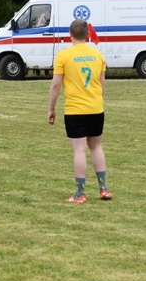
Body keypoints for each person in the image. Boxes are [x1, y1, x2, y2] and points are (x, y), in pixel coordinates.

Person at [47, 19, 112, 203]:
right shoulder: (97, 55)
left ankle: (80, 193)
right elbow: (102, 83)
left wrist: (51, 109)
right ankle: (104, 188)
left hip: (75, 110)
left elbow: (55, 85)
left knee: (79, 151)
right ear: (88, 35)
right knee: (97, 147)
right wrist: (99, 101)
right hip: (96, 108)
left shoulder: (64, 56)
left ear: (70, 34)